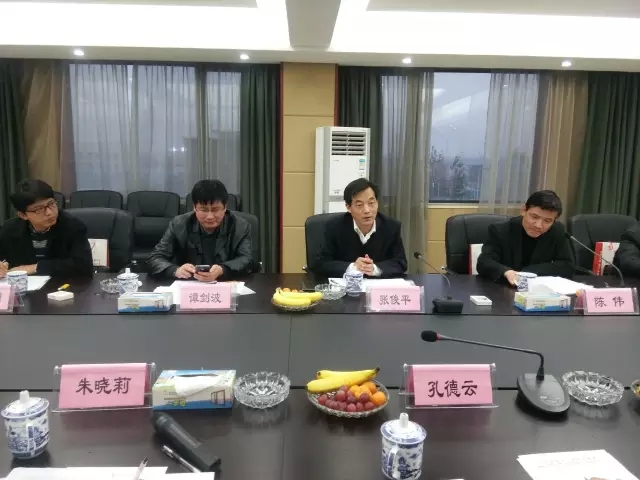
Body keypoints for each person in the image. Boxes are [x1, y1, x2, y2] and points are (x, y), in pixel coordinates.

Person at [147, 179, 253, 281]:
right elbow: (155, 258)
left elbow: (247, 260)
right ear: (194, 207)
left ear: (225, 207)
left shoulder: (240, 226)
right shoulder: (179, 224)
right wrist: (175, 270)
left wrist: (223, 270)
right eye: (204, 210)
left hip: (225, 284)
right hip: (188, 284)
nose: (210, 216)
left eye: (215, 210)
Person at [310, 178, 407, 278]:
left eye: (371, 203)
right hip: (345, 286)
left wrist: (374, 268)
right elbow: (319, 263)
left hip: (377, 286)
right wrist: (352, 267)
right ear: (348, 207)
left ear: (377, 203)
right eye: (359, 205)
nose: (367, 210)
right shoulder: (334, 227)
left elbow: (401, 263)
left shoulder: (391, 227)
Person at [476, 190, 574, 285]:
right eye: (534, 217)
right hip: (504, 288)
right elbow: (484, 262)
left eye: (547, 221)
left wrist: (528, 272)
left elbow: (567, 265)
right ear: (523, 210)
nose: (538, 225)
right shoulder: (500, 230)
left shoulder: (557, 231)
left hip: (539, 289)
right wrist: (506, 272)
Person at [0, 179, 93, 279]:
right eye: (39, 209)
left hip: (62, 285)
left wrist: (36, 267)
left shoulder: (73, 226)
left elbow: (83, 266)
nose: (49, 212)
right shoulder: (9, 230)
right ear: (23, 215)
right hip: (23, 286)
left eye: (51, 203)